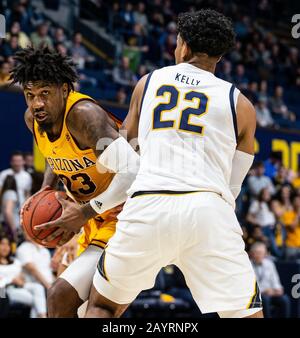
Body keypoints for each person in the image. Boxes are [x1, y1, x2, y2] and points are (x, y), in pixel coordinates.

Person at [42, 10, 263, 318]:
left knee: (102, 306)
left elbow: (123, 154)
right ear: (221, 54)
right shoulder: (242, 104)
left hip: (148, 204)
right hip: (208, 210)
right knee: (244, 314)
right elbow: (234, 185)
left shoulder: (148, 83)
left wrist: (86, 204)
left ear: (183, 46)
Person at [11, 45, 139, 317]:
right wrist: (47, 188)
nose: (37, 104)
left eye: (45, 93)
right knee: (82, 312)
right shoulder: (33, 119)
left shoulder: (84, 115)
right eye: (30, 95)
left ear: (65, 90)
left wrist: (83, 212)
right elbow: (52, 154)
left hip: (128, 215)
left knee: (60, 296)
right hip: (95, 217)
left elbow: (133, 173)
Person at [0, 234, 47, 318]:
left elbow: (22, 276)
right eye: (2, 244)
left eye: (8, 244)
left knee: (38, 287)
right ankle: (43, 316)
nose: (5, 247)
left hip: (20, 287)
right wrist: (11, 280)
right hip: (5, 291)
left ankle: (42, 316)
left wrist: (21, 279)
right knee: (36, 301)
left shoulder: (15, 261)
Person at [250, 242, 291, 318]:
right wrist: (264, 291)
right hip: (256, 295)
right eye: (257, 253)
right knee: (265, 299)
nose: (259, 255)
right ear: (252, 254)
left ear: (265, 254)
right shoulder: (248, 265)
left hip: (271, 292)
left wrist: (278, 289)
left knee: (285, 299)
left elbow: (275, 280)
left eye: (261, 253)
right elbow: (250, 286)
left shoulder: (269, 263)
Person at [0, 175, 20, 242]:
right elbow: (8, 212)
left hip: (4, 225)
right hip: (11, 227)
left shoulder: (4, 194)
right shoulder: (11, 193)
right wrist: (13, 230)